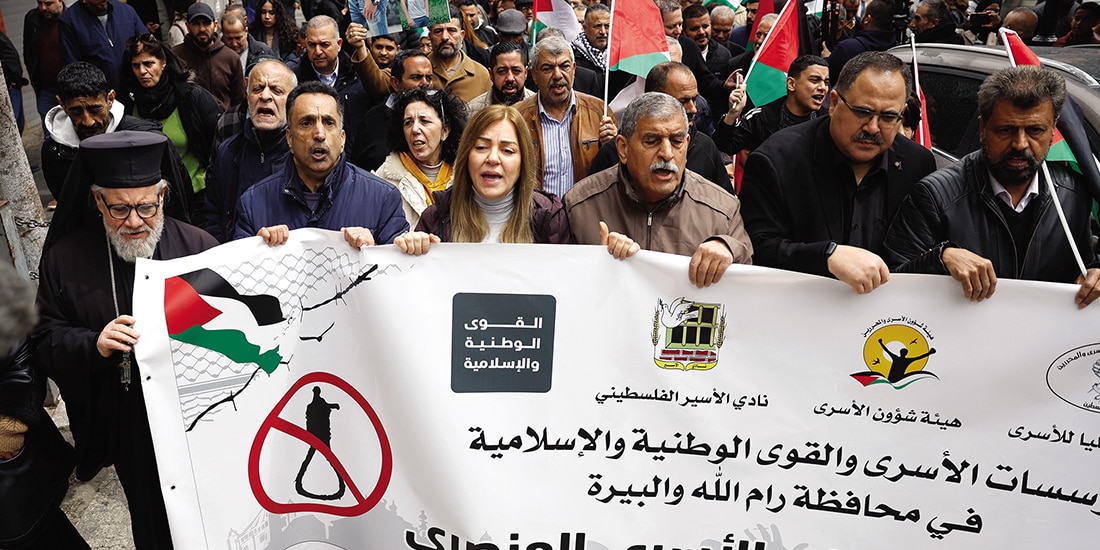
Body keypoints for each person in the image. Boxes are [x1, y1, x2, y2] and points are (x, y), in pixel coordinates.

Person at [34, 131, 218, 548]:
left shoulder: (199, 247)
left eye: (146, 207)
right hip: (128, 425)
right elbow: (43, 338)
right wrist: (93, 343)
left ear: (163, 196)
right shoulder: (66, 260)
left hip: (199, 416)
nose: (134, 222)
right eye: (119, 209)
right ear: (97, 201)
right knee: (153, 523)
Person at [883, 66, 1100, 307]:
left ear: (1052, 131)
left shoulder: (1073, 194)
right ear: (983, 129)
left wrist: (1095, 274)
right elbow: (891, 287)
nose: (1020, 144)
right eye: (1006, 130)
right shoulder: (936, 196)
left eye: (1035, 130)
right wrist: (942, 258)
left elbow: (1083, 268)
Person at [739, 51, 936, 294]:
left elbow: (918, 248)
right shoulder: (776, 161)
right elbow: (756, 249)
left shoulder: (917, 164)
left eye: (888, 117)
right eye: (862, 112)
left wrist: (944, 254)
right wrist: (826, 256)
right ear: (833, 103)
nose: (873, 128)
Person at [566, 92, 752, 288]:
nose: (667, 153)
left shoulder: (722, 211)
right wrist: (596, 263)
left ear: (687, 145)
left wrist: (728, 248)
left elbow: (749, 280)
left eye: (676, 141)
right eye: (652, 141)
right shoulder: (579, 207)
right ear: (623, 148)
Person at [234, 81, 410, 246]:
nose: (319, 134)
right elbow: (240, 265)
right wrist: (259, 250)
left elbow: (398, 266)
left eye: (328, 123)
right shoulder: (253, 203)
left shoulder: (382, 198)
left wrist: (373, 250)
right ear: (289, 139)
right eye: (306, 123)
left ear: (342, 139)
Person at [395, 104, 572, 252]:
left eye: (507, 150)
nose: (493, 158)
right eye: (481, 147)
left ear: (523, 162)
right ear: (466, 156)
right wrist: (413, 250)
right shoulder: (436, 217)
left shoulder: (550, 217)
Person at [41, 62, 183, 204]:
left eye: (95, 110)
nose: (88, 121)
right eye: (76, 111)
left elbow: (179, 196)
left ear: (110, 99)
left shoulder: (147, 139)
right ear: (62, 105)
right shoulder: (54, 151)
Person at [589, 62, 733, 193]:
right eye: (683, 101)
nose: (693, 109)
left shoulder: (705, 148)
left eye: (694, 99)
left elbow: (723, 204)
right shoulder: (614, 152)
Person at [119, 34, 221, 212]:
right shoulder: (128, 103)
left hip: (196, 195)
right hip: (148, 201)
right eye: (136, 65)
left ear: (163, 63)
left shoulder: (191, 98)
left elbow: (219, 144)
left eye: (148, 64)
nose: (142, 71)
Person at [204, 59, 297, 242]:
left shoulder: (304, 156)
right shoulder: (229, 151)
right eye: (257, 89)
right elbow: (213, 213)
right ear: (247, 98)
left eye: (276, 90)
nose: (265, 96)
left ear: (292, 101)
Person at [515, 35, 617, 198]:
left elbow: (616, 177)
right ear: (534, 74)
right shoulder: (517, 117)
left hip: (584, 208)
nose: (557, 75)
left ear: (574, 69)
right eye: (547, 68)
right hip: (535, 211)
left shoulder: (600, 112)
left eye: (564, 66)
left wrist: (612, 147)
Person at [375, 88, 468, 228]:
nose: (415, 129)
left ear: (445, 130)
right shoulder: (384, 178)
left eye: (424, 121)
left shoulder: (466, 173)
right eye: (408, 122)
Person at [714, 55, 829, 158]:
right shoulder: (760, 118)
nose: (823, 87)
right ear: (791, 84)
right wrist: (732, 114)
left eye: (826, 82)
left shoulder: (828, 121)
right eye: (815, 80)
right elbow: (722, 148)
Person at [349, 48, 437, 171]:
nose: (425, 83)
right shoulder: (373, 120)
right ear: (395, 83)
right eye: (416, 77)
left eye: (428, 78)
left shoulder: (440, 115)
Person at [172, 2, 247, 111]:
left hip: (223, 119)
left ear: (215, 25)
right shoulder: (176, 55)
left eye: (206, 23)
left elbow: (239, 100)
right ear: (188, 26)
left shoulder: (230, 58)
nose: (202, 29)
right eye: (196, 24)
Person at [59, 0, 145, 91]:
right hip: (99, 90)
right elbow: (73, 64)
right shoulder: (69, 20)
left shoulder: (126, 11)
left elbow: (147, 46)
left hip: (135, 85)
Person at [427, 7, 492, 102]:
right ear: (430, 37)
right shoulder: (419, 70)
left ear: (462, 35)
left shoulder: (481, 74)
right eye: (438, 31)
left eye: (451, 30)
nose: (445, 37)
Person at [826, 0, 896, 85]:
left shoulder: (846, 48)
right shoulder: (896, 48)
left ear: (867, 19)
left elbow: (827, 76)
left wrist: (826, 58)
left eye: (864, 14)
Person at [23, 0, 66, 133]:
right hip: (45, 90)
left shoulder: (72, 18)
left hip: (69, 89)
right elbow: (28, 52)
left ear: (60, 1)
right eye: (39, 3)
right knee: (50, 132)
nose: (43, 8)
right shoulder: (32, 18)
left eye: (48, 3)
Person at [467, 41, 534, 116]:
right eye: (502, 71)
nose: (510, 78)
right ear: (491, 74)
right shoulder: (472, 112)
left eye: (516, 71)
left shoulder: (538, 107)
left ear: (526, 73)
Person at [221, 8, 276, 74]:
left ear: (246, 31)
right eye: (229, 39)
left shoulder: (263, 51)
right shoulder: (215, 55)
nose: (234, 43)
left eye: (238, 38)